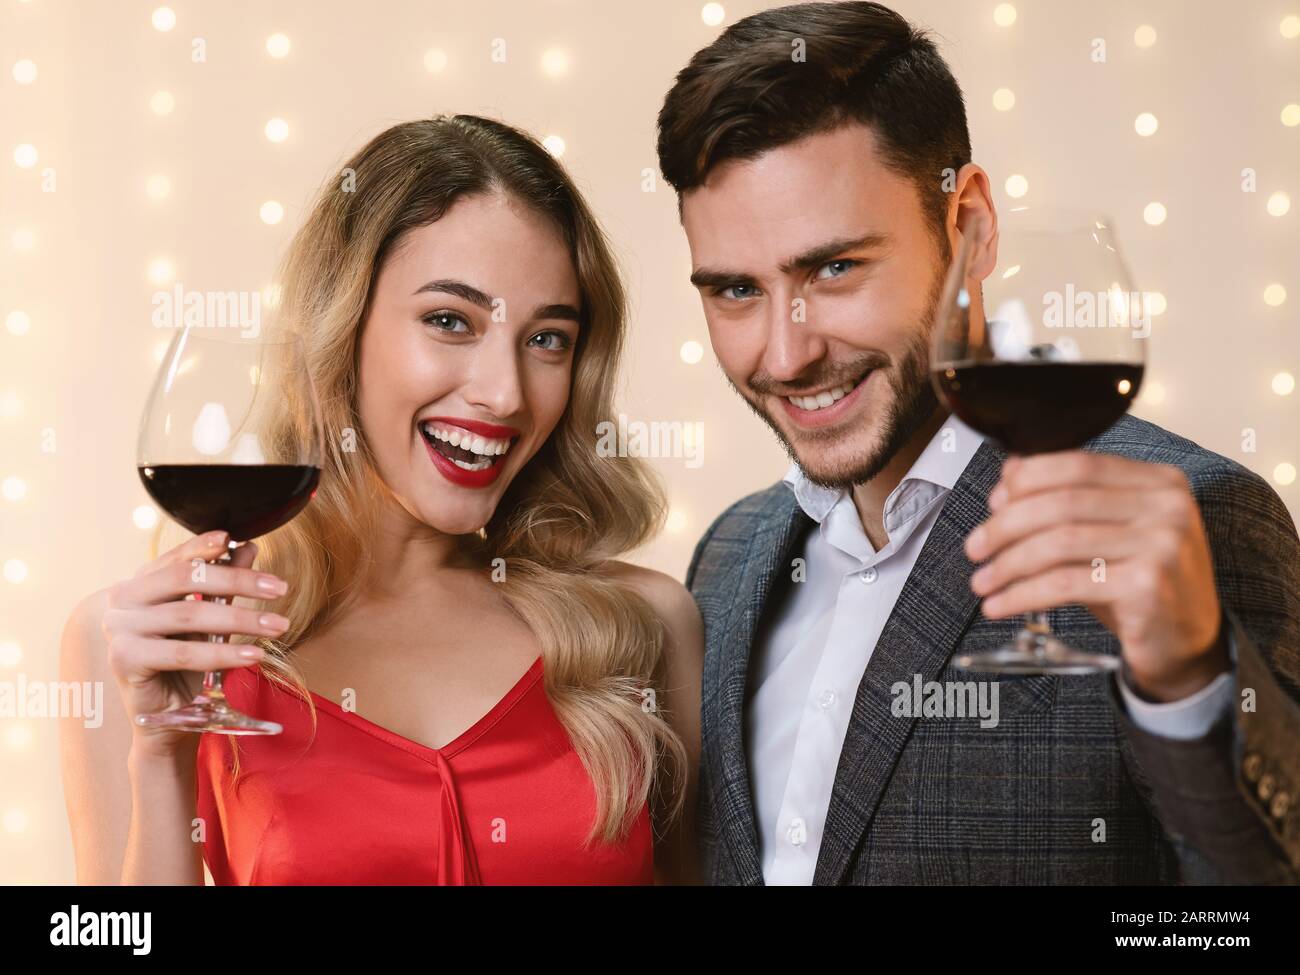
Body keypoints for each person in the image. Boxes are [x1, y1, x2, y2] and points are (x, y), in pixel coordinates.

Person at [656, 1, 1300, 884]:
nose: (786, 351)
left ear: (970, 227)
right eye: (734, 289)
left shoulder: (1193, 520)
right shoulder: (725, 558)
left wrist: (1192, 679)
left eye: (834, 268)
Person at [60, 115, 703, 885]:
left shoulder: (642, 628)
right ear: (344, 329)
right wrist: (159, 755)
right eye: (448, 321)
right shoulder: (152, 643)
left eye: (547, 339)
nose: (504, 393)